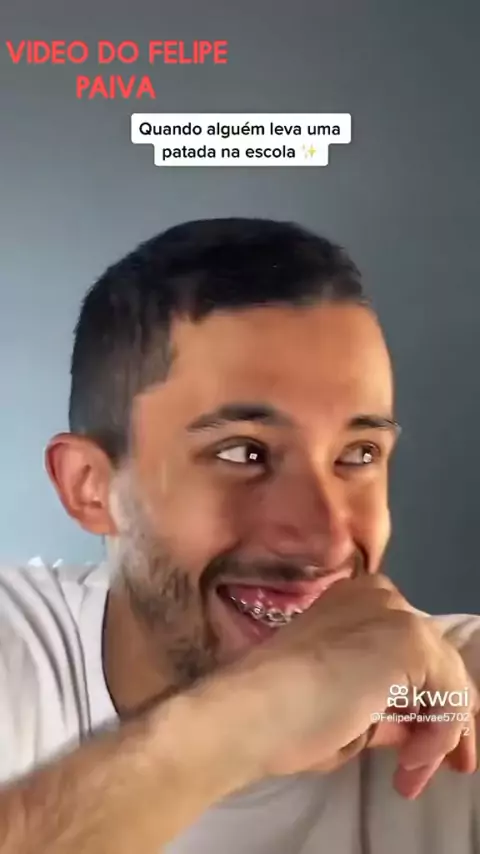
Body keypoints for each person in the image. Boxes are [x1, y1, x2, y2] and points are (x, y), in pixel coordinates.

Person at [1, 217, 480, 854]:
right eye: (243, 453)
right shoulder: (15, 650)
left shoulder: (456, 691)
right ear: (90, 487)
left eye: (359, 454)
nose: (325, 537)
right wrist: (249, 717)